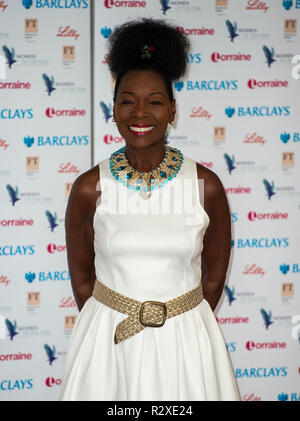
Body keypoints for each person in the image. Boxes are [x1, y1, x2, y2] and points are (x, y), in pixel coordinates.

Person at [59, 18, 240, 401]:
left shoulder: (205, 186)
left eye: (155, 102)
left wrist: (176, 324)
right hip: (109, 345)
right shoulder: (90, 188)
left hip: (186, 346)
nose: (140, 113)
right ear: (113, 109)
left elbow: (212, 280)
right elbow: (81, 281)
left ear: (173, 110)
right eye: (128, 101)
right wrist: (112, 317)